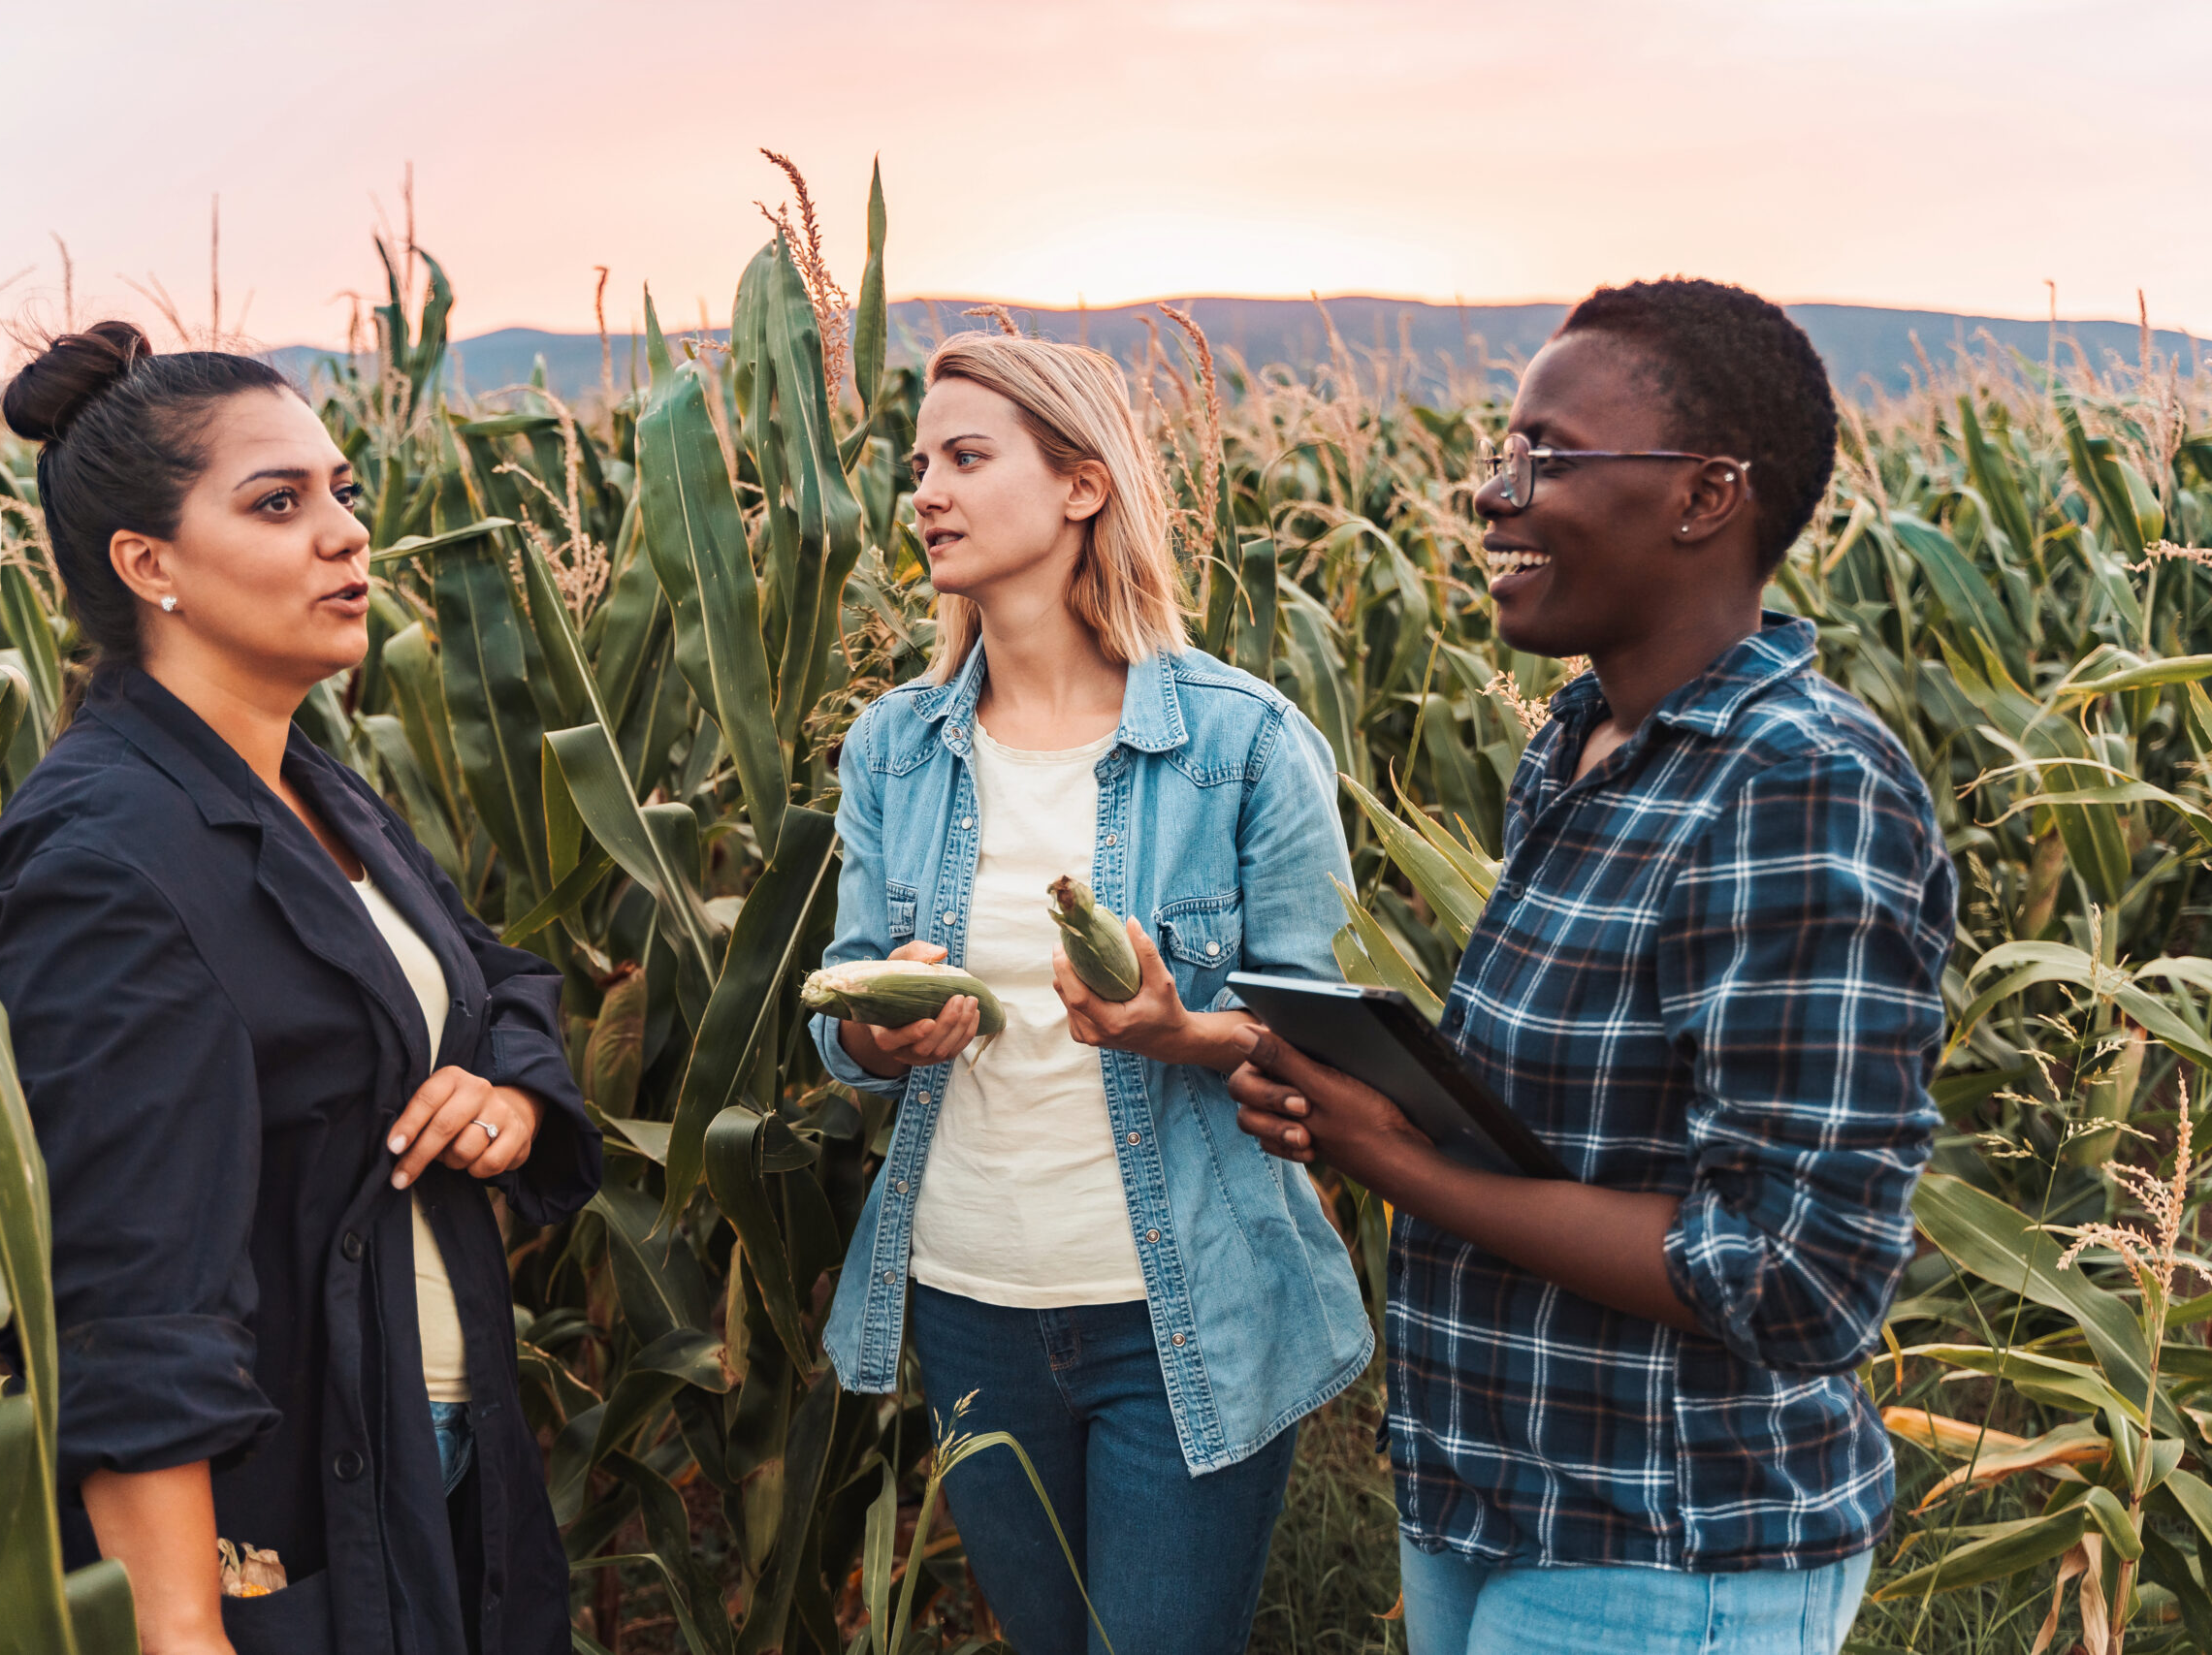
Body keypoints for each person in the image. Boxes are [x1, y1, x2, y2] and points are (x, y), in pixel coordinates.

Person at [1228, 279, 1955, 1654]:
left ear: (1704, 496)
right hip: (1502, 1494)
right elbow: (1577, 1124)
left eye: (1545, 457)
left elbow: (1794, 1275)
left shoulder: (1796, 786)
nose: (1494, 495)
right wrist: (1355, 1101)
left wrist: (1402, 1167)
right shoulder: (1582, 745)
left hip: (1672, 1541)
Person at [0, 322, 601, 1655]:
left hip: (429, 1456)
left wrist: (515, 1102)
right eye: (278, 501)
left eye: (343, 491)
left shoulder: (312, 788)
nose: (346, 533)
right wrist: (181, 1629)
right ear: (149, 566)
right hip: (280, 1514)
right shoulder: (105, 859)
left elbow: (490, 974)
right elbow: (127, 1297)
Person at [810, 333, 1371, 1655]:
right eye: (917, 466)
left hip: (1185, 1311)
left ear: (1081, 484)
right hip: (968, 1301)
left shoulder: (1240, 743)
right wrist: (885, 1035)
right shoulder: (897, 747)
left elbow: (1330, 1050)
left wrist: (1184, 1033)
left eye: (965, 457)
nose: (926, 493)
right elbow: (845, 1027)